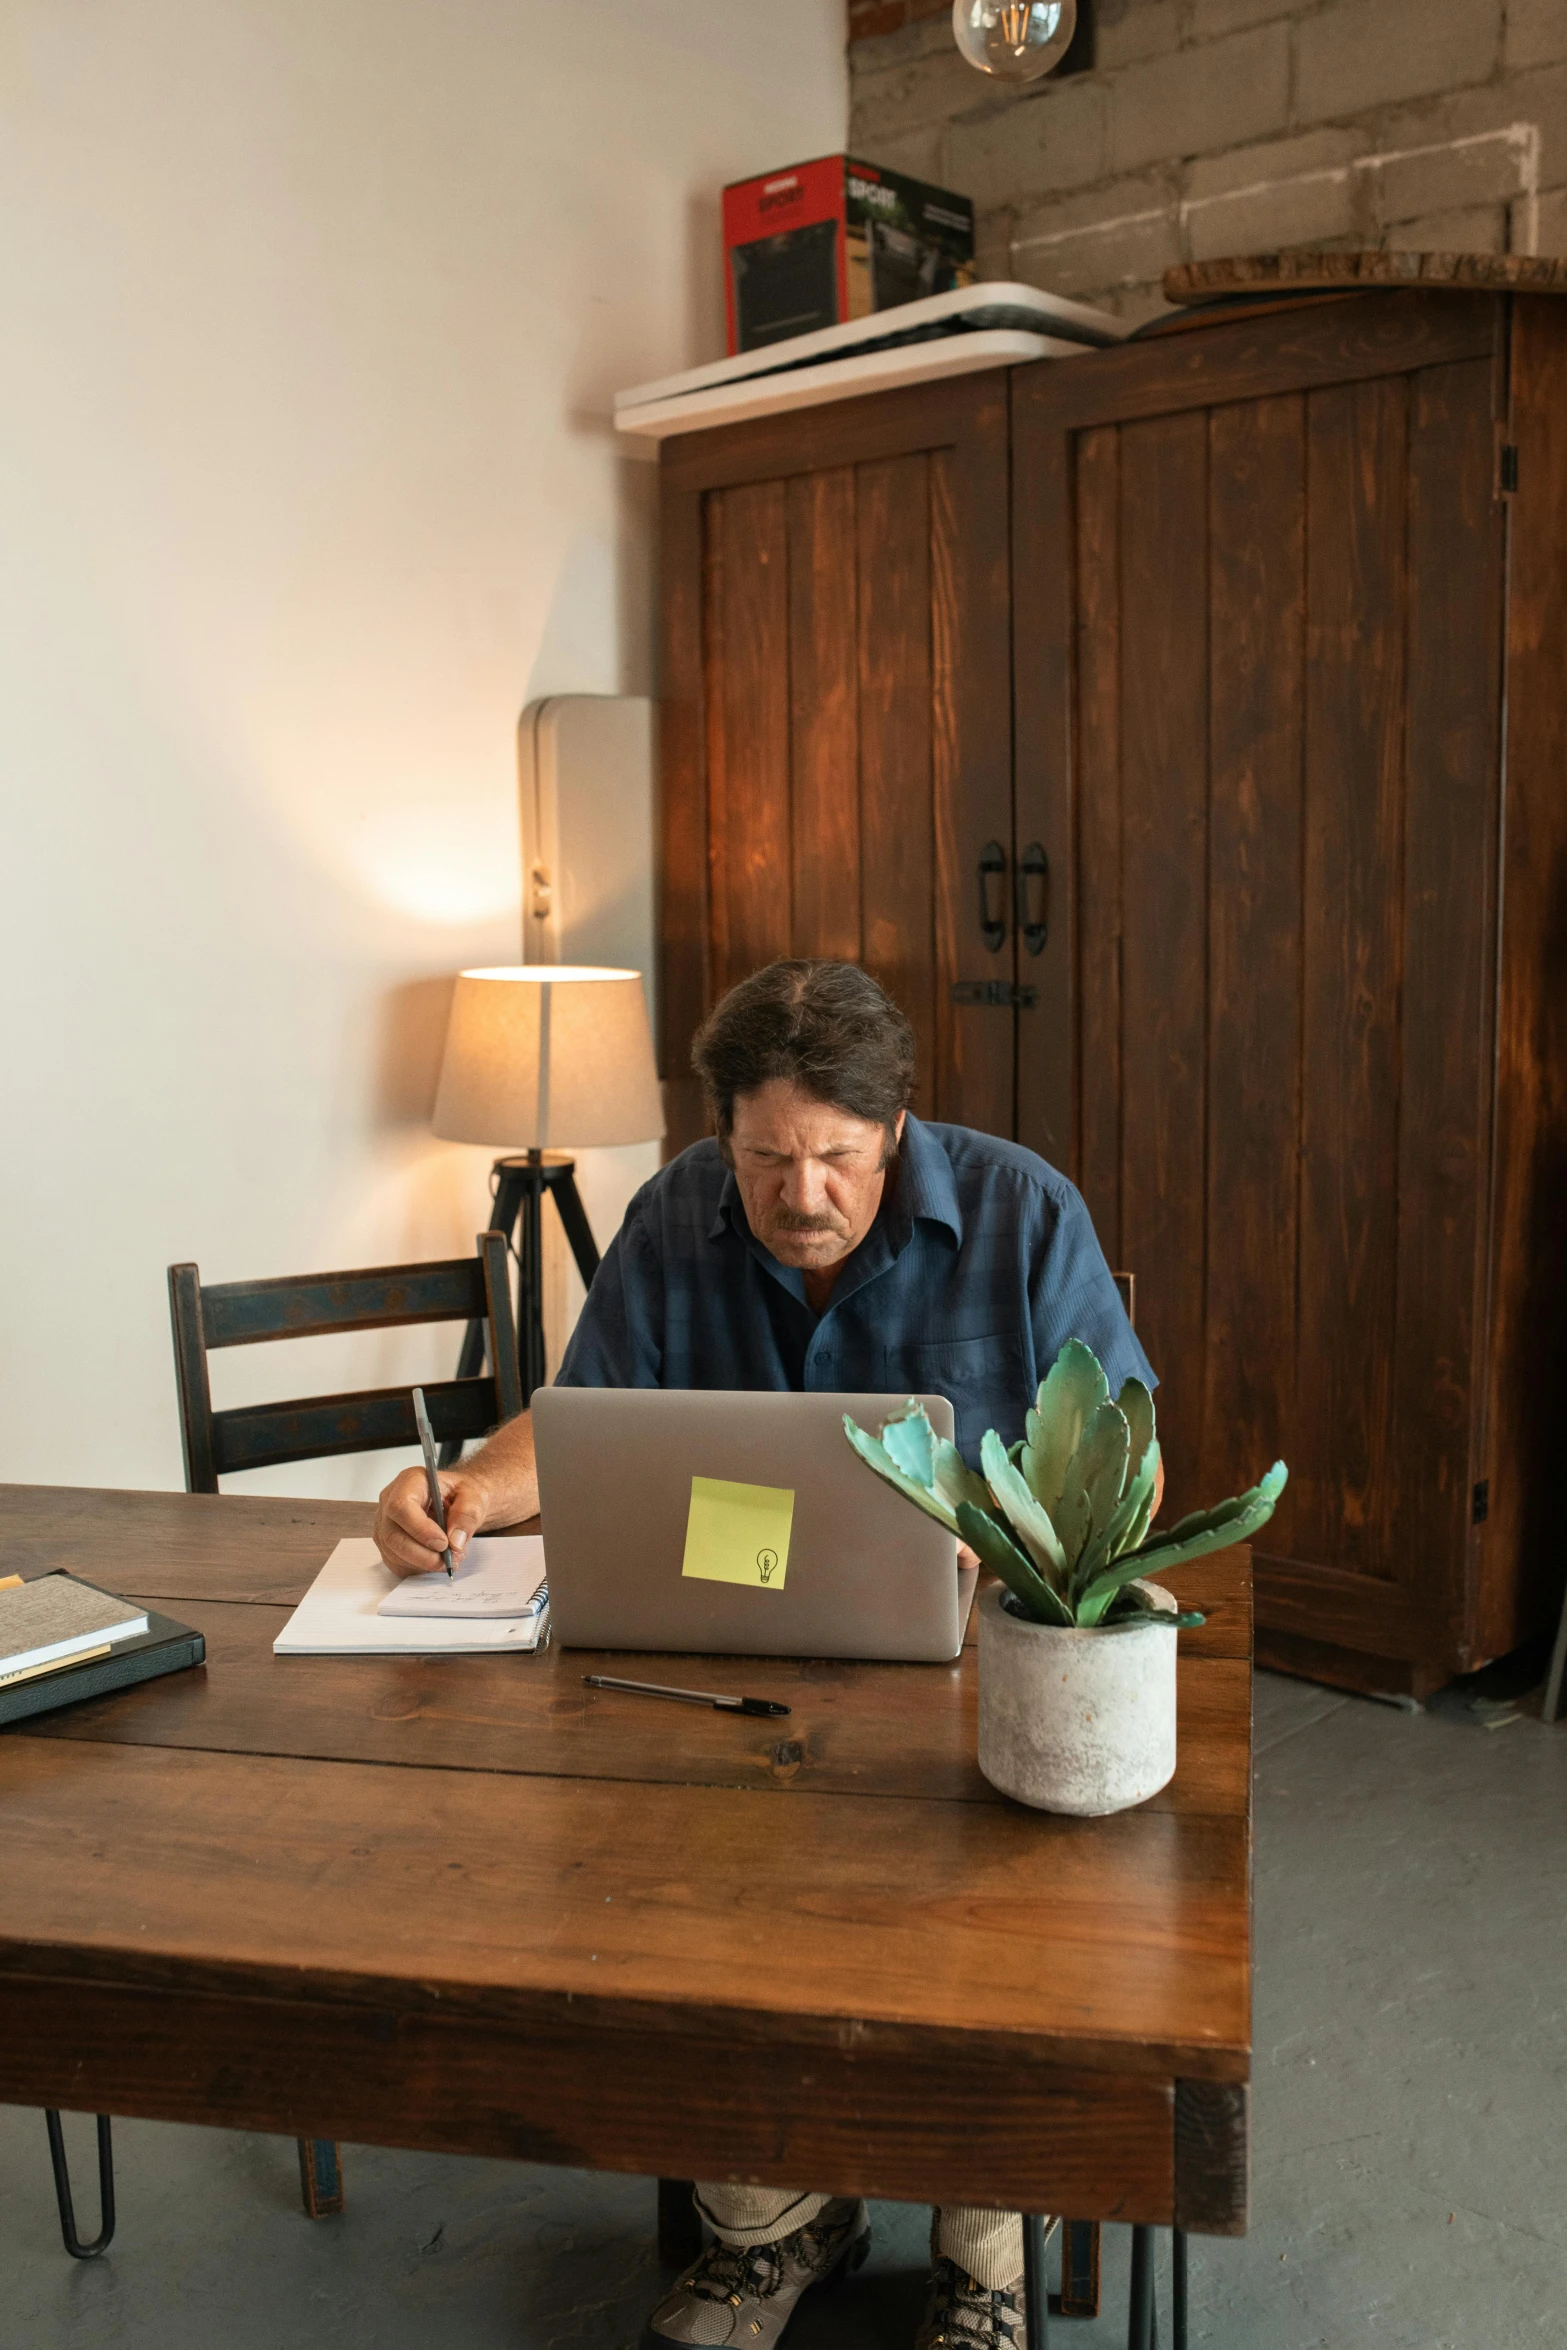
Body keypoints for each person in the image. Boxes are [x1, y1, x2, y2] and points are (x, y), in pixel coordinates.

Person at [374, 958, 1155, 2350]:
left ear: (897, 1129)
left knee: (999, 1903)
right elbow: (583, 1415)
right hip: (731, 1660)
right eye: (767, 1158)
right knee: (675, 1879)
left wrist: (1005, 1527)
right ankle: (773, 2223)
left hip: (965, 1676)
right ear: (721, 1131)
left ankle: (983, 2253)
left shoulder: (1022, 1210)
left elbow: (1134, 1467)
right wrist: (469, 1494)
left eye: (838, 1160)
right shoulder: (676, 1209)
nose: (801, 1195)